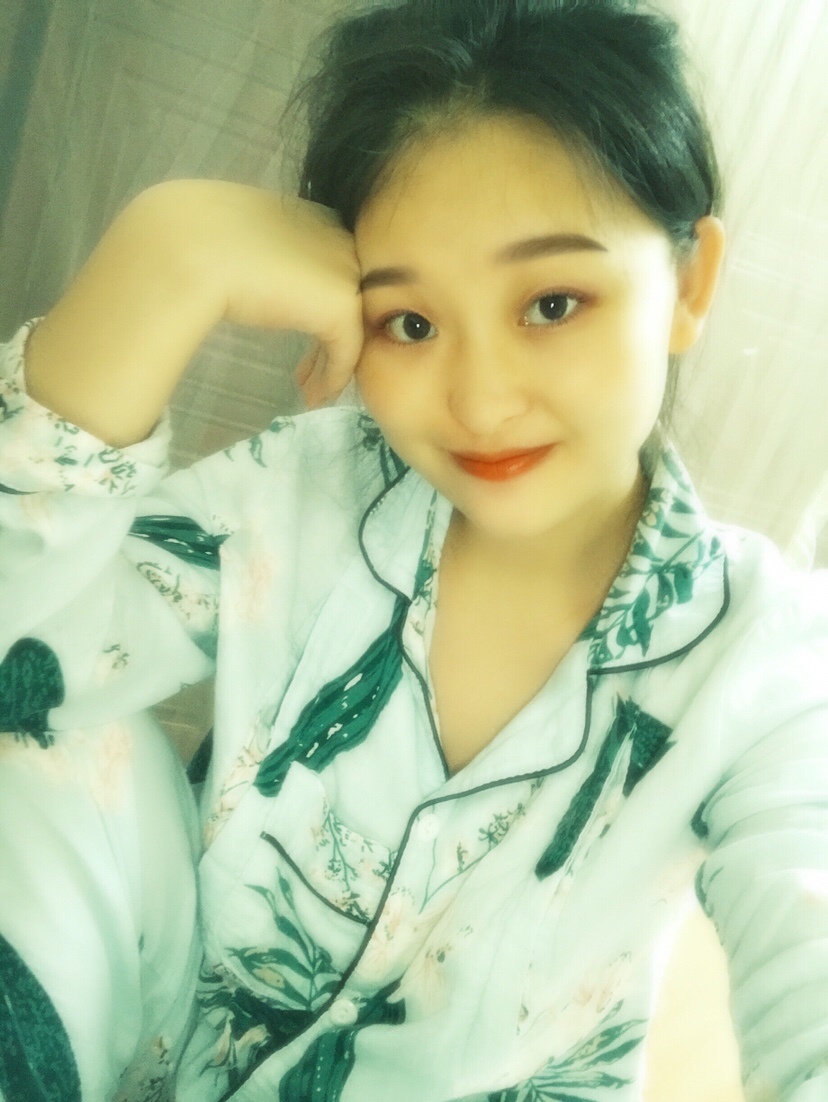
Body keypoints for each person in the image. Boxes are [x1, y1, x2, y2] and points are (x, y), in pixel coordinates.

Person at [0, 0, 826, 1099]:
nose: (479, 402)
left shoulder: (767, 659)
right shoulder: (308, 492)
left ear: (688, 284)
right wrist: (165, 256)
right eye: (413, 324)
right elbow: (21, 652)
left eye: (553, 303)